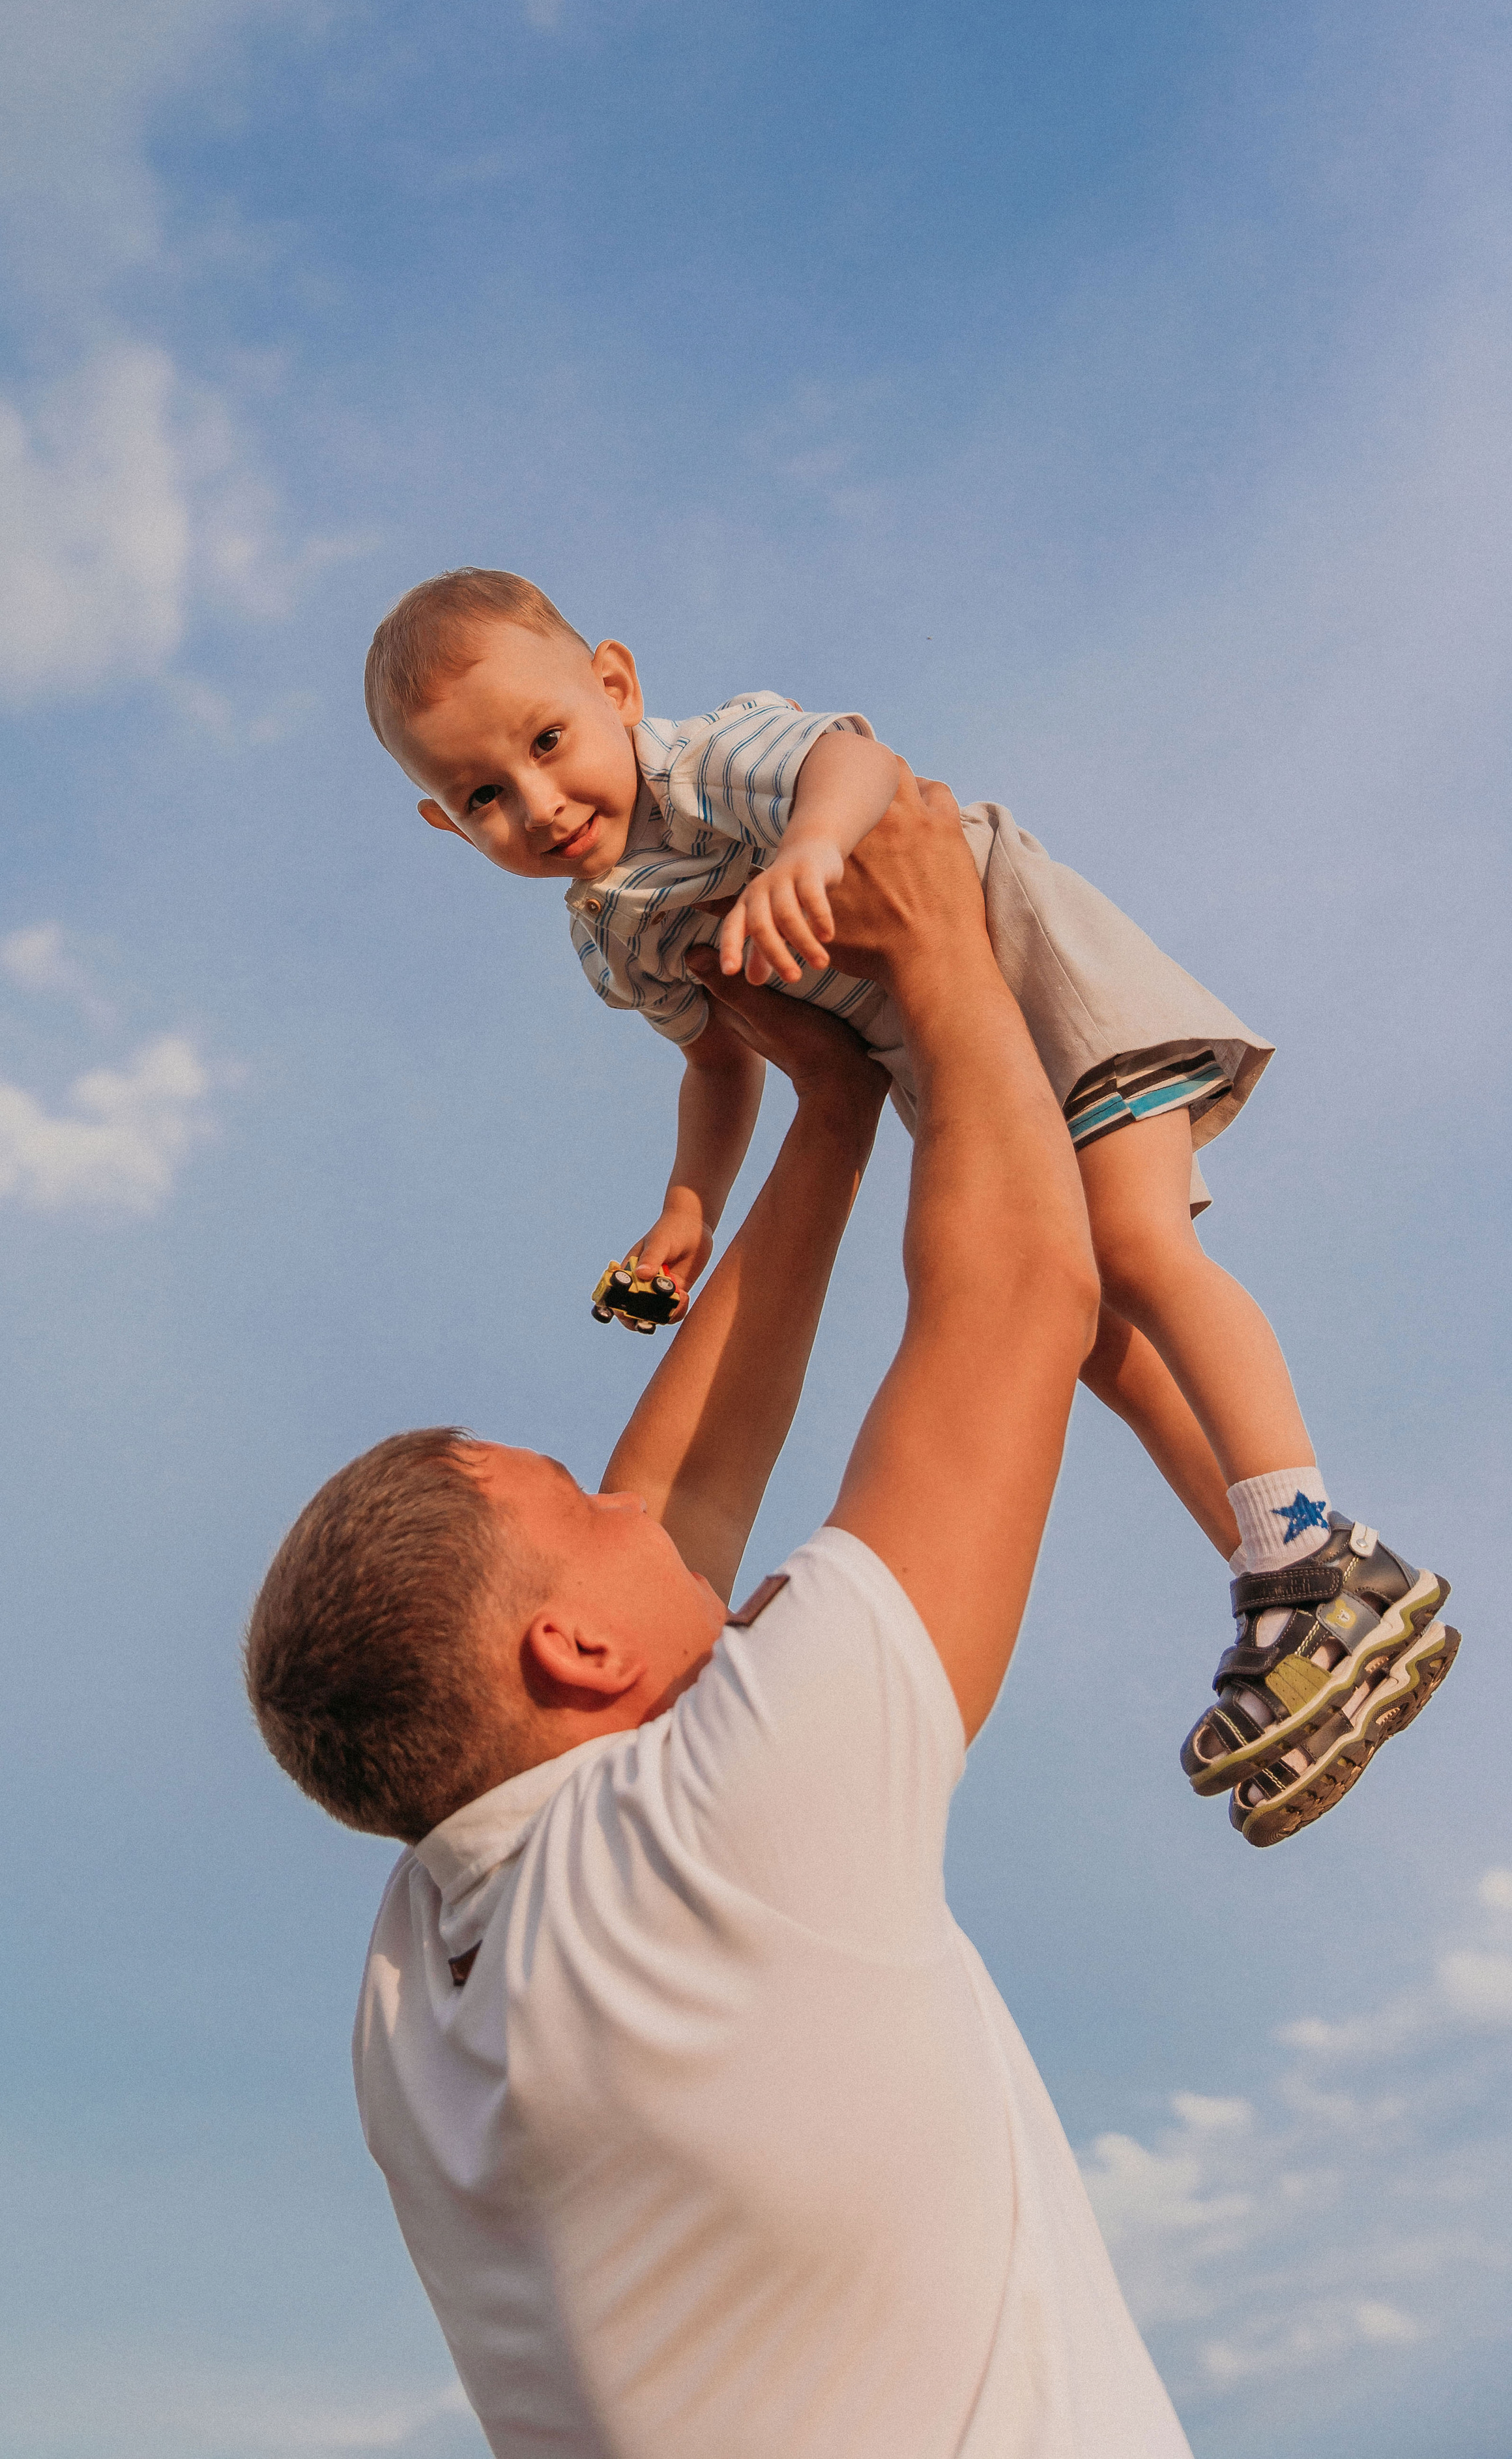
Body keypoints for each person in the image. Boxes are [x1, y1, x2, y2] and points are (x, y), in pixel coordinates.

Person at [248, 778, 1196, 2455]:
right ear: (574, 1655)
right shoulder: (728, 1839)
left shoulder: (424, 1977)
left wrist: (827, 1115)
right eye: (575, 1492)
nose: (631, 1496)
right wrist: (939, 963)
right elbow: (1020, 1295)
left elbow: (670, 1515)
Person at [358, 566, 1455, 1847]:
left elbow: (851, 760)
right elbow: (718, 1060)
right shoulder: (611, 933)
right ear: (442, 824)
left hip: (1022, 968)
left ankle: (1311, 1550)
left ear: (613, 686)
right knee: (1086, 1336)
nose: (537, 803)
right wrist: (684, 1205)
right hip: (950, 1072)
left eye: (548, 744)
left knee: (1135, 1249)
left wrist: (815, 848)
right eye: (482, 796)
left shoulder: (706, 765)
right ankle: (1283, 1570)